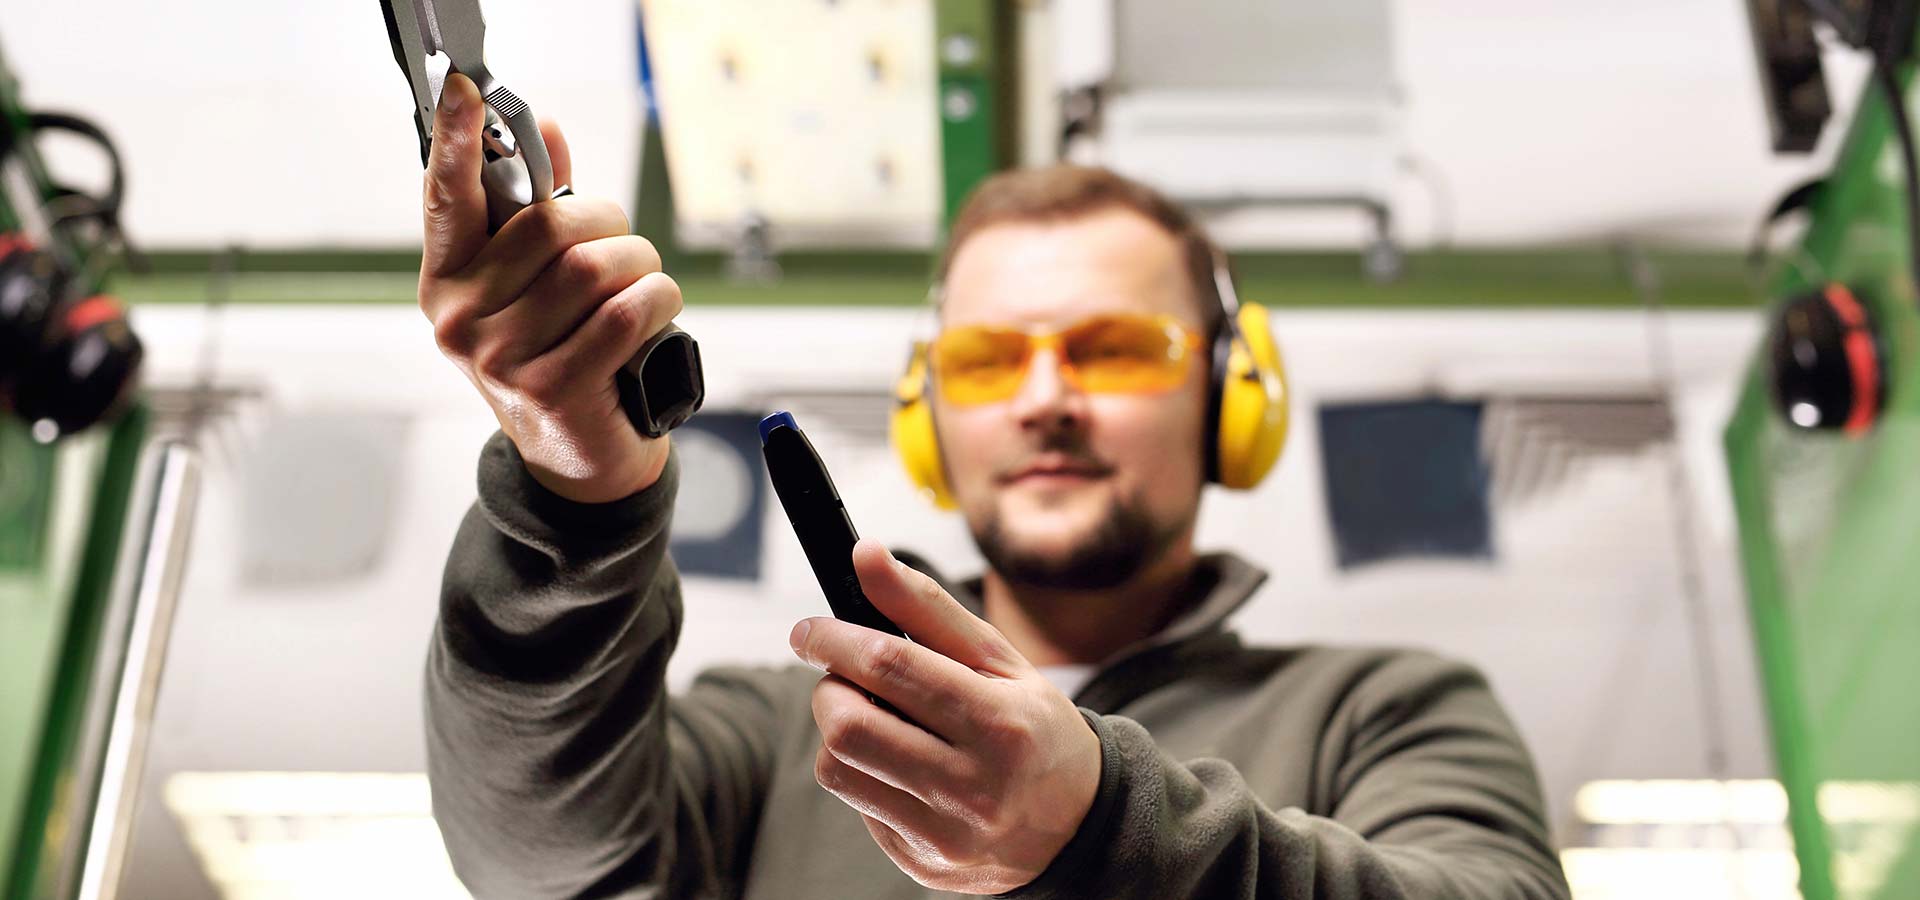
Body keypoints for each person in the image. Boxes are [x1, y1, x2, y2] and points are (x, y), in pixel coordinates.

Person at [419, 73, 1571, 900]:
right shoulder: (779, 732)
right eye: (986, 360)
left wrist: (1104, 832)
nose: (1044, 399)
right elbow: (537, 865)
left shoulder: (1383, 713)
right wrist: (572, 497)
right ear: (930, 418)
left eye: (1114, 349)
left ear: (1232, 399)